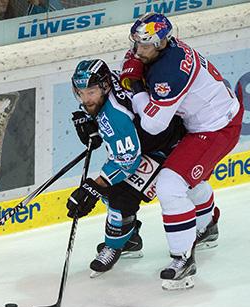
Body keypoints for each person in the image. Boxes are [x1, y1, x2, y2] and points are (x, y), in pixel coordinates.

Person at [120, 13, 244, 290]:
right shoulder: (160, 52)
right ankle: (207, 224)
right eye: (135, 43)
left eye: (146, 46)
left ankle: (183, 258)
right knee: (187, 177)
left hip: (216, 129)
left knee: (170, 184)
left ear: (163, 43)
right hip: (202, 120)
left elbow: (153, 124)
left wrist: (137, 87)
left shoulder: (169, 72)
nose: (138, 51)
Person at [66, 59, 186, 279]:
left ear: (104, 87)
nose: (86, 99)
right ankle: (129, 237)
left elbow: (127, 161)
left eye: (91, 92)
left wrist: (94, 187)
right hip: (153, 138)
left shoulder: (116, 116)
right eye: (81, 93)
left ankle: (115, 246)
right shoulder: (109, 82)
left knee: (119, 195)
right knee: (113, 191)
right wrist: (91, 119)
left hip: (167, 147)